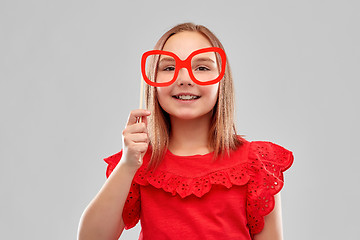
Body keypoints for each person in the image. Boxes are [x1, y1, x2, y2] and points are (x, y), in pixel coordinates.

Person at [78, 22, 294, 240]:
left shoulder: (256, 164)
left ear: (222, 81)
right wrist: (127, 164)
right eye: (169, 68)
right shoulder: (138, 164)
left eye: (201, 67)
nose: (184, 79)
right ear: (153, 82)